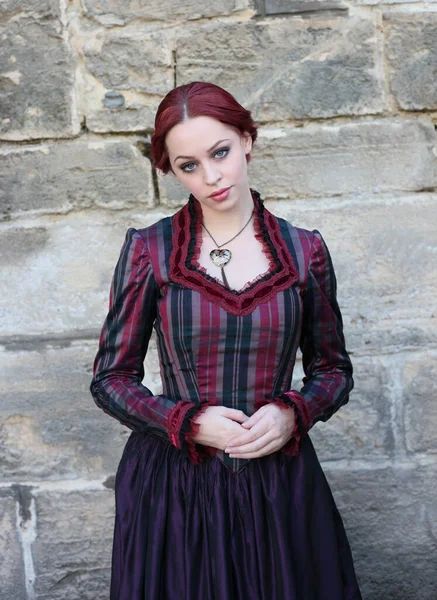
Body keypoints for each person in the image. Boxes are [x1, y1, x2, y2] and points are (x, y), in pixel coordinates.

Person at [90, 81, 362, 600]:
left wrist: (291, 414)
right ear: (171, 170)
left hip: (278, 485)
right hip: (175, 488)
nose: (212, 177)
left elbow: (333, 370)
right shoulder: (150, 250)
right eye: (189, 165)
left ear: (246, 140)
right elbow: (111, 380)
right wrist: (187, 421)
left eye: (221, 152)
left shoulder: (305, 252)